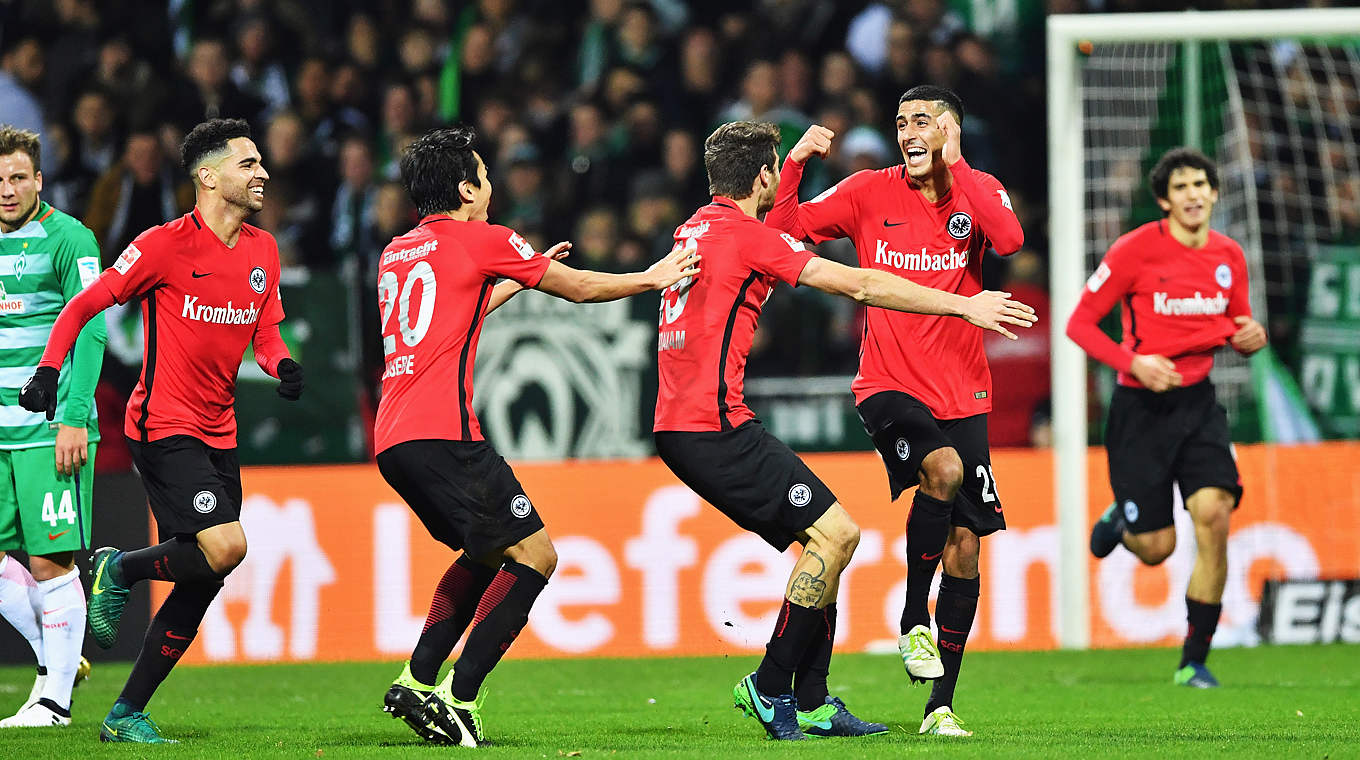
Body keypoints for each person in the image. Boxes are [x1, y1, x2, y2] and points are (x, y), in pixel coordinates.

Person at [655, 121, 1035, 741]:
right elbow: (858, 282)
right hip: (713, 426)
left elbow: (776, 230)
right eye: (775, 168)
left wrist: (797, 164)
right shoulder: (746, 235)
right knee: (837, 535)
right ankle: (772, 684)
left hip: (686, 422)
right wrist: (966, 304)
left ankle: (812, 700)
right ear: (761, 178)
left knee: (825, 535)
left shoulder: (694, 227)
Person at [375, 126, 699, 747]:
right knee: (536, 556)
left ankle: (417, 679)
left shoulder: (398, 251)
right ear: (467, 189)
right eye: (484, 175)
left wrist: (520, 276)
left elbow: (450, 317)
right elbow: (578, 290)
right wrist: (653, 277)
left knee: (482, 551)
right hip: (446, 434)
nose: (492, 186)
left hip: (394, 437)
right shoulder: (485, 238)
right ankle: (458, 696)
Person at [17, 118, 305, 743]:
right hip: (162, 423)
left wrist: (280, 364)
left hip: (220, 430)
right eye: (248, 163)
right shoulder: (162, 245)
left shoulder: (263, 249)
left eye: (260, 163)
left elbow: (265, 331)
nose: (262, 173)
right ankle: (118, 569)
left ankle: (126, 714)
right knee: (226, 545)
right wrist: (48, 371)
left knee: (205, 573)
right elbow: (84, 304)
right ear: (208, 176)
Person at [765, 85, 1027, 737]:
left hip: (964, 390)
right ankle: (913, 619)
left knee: (966, 548)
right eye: (902, 121)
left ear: (951, 131)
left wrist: (959, 164)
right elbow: (783, 229)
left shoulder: (979, 190)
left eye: (924, 121)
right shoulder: (864, 192)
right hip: (888, 384)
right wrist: (795, 165)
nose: (908, 131)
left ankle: (939, 707)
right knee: (942, 471)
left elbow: (1011, 238)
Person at [1066, 147, 1266, 689]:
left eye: (1201, 184)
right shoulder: (1134, 251)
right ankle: (1123, 522)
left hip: (1199, 405)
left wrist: (1251, 337)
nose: (1194, 194)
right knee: (1157, 550)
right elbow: (1080, 325)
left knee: (1215, 516)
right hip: (1141, 411)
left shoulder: (1230, 256)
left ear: (1215, 192)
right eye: (1181, 187)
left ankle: (1193, 660)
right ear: (1163, 200)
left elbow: (1239, 324)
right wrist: (1135, 362)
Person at [0, 125, 101, 728]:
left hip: (46, 429)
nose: (7, 190)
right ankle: (56, 656)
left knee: (49, 562)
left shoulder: (70, 238)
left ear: (38, 180)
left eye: (17, 178)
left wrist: (72, 418)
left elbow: (90, 328)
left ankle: (54, 702)